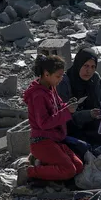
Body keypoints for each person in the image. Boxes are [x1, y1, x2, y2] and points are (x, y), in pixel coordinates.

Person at [18, 55, 83, 185]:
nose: (61, 79)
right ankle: (28, 171)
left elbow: (58, 107)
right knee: (69, 170)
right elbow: (44, 123)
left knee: (79, 166)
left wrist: (68, 106)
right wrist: (66, 112)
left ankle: (42, 163)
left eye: (62, 75)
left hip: (55, 139)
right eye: (58, 76)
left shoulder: (50, 88)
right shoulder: (38, 96)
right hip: (42, 141)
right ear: (47, 74)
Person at [57, 48, 101, 145]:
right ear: (79, 64)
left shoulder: (94, 77)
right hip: (73, 129)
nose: (89, 71)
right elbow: (63, 114)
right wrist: (89, 114)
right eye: (86, 66)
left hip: (95, 124)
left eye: (92, 67)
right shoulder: (65, 82)